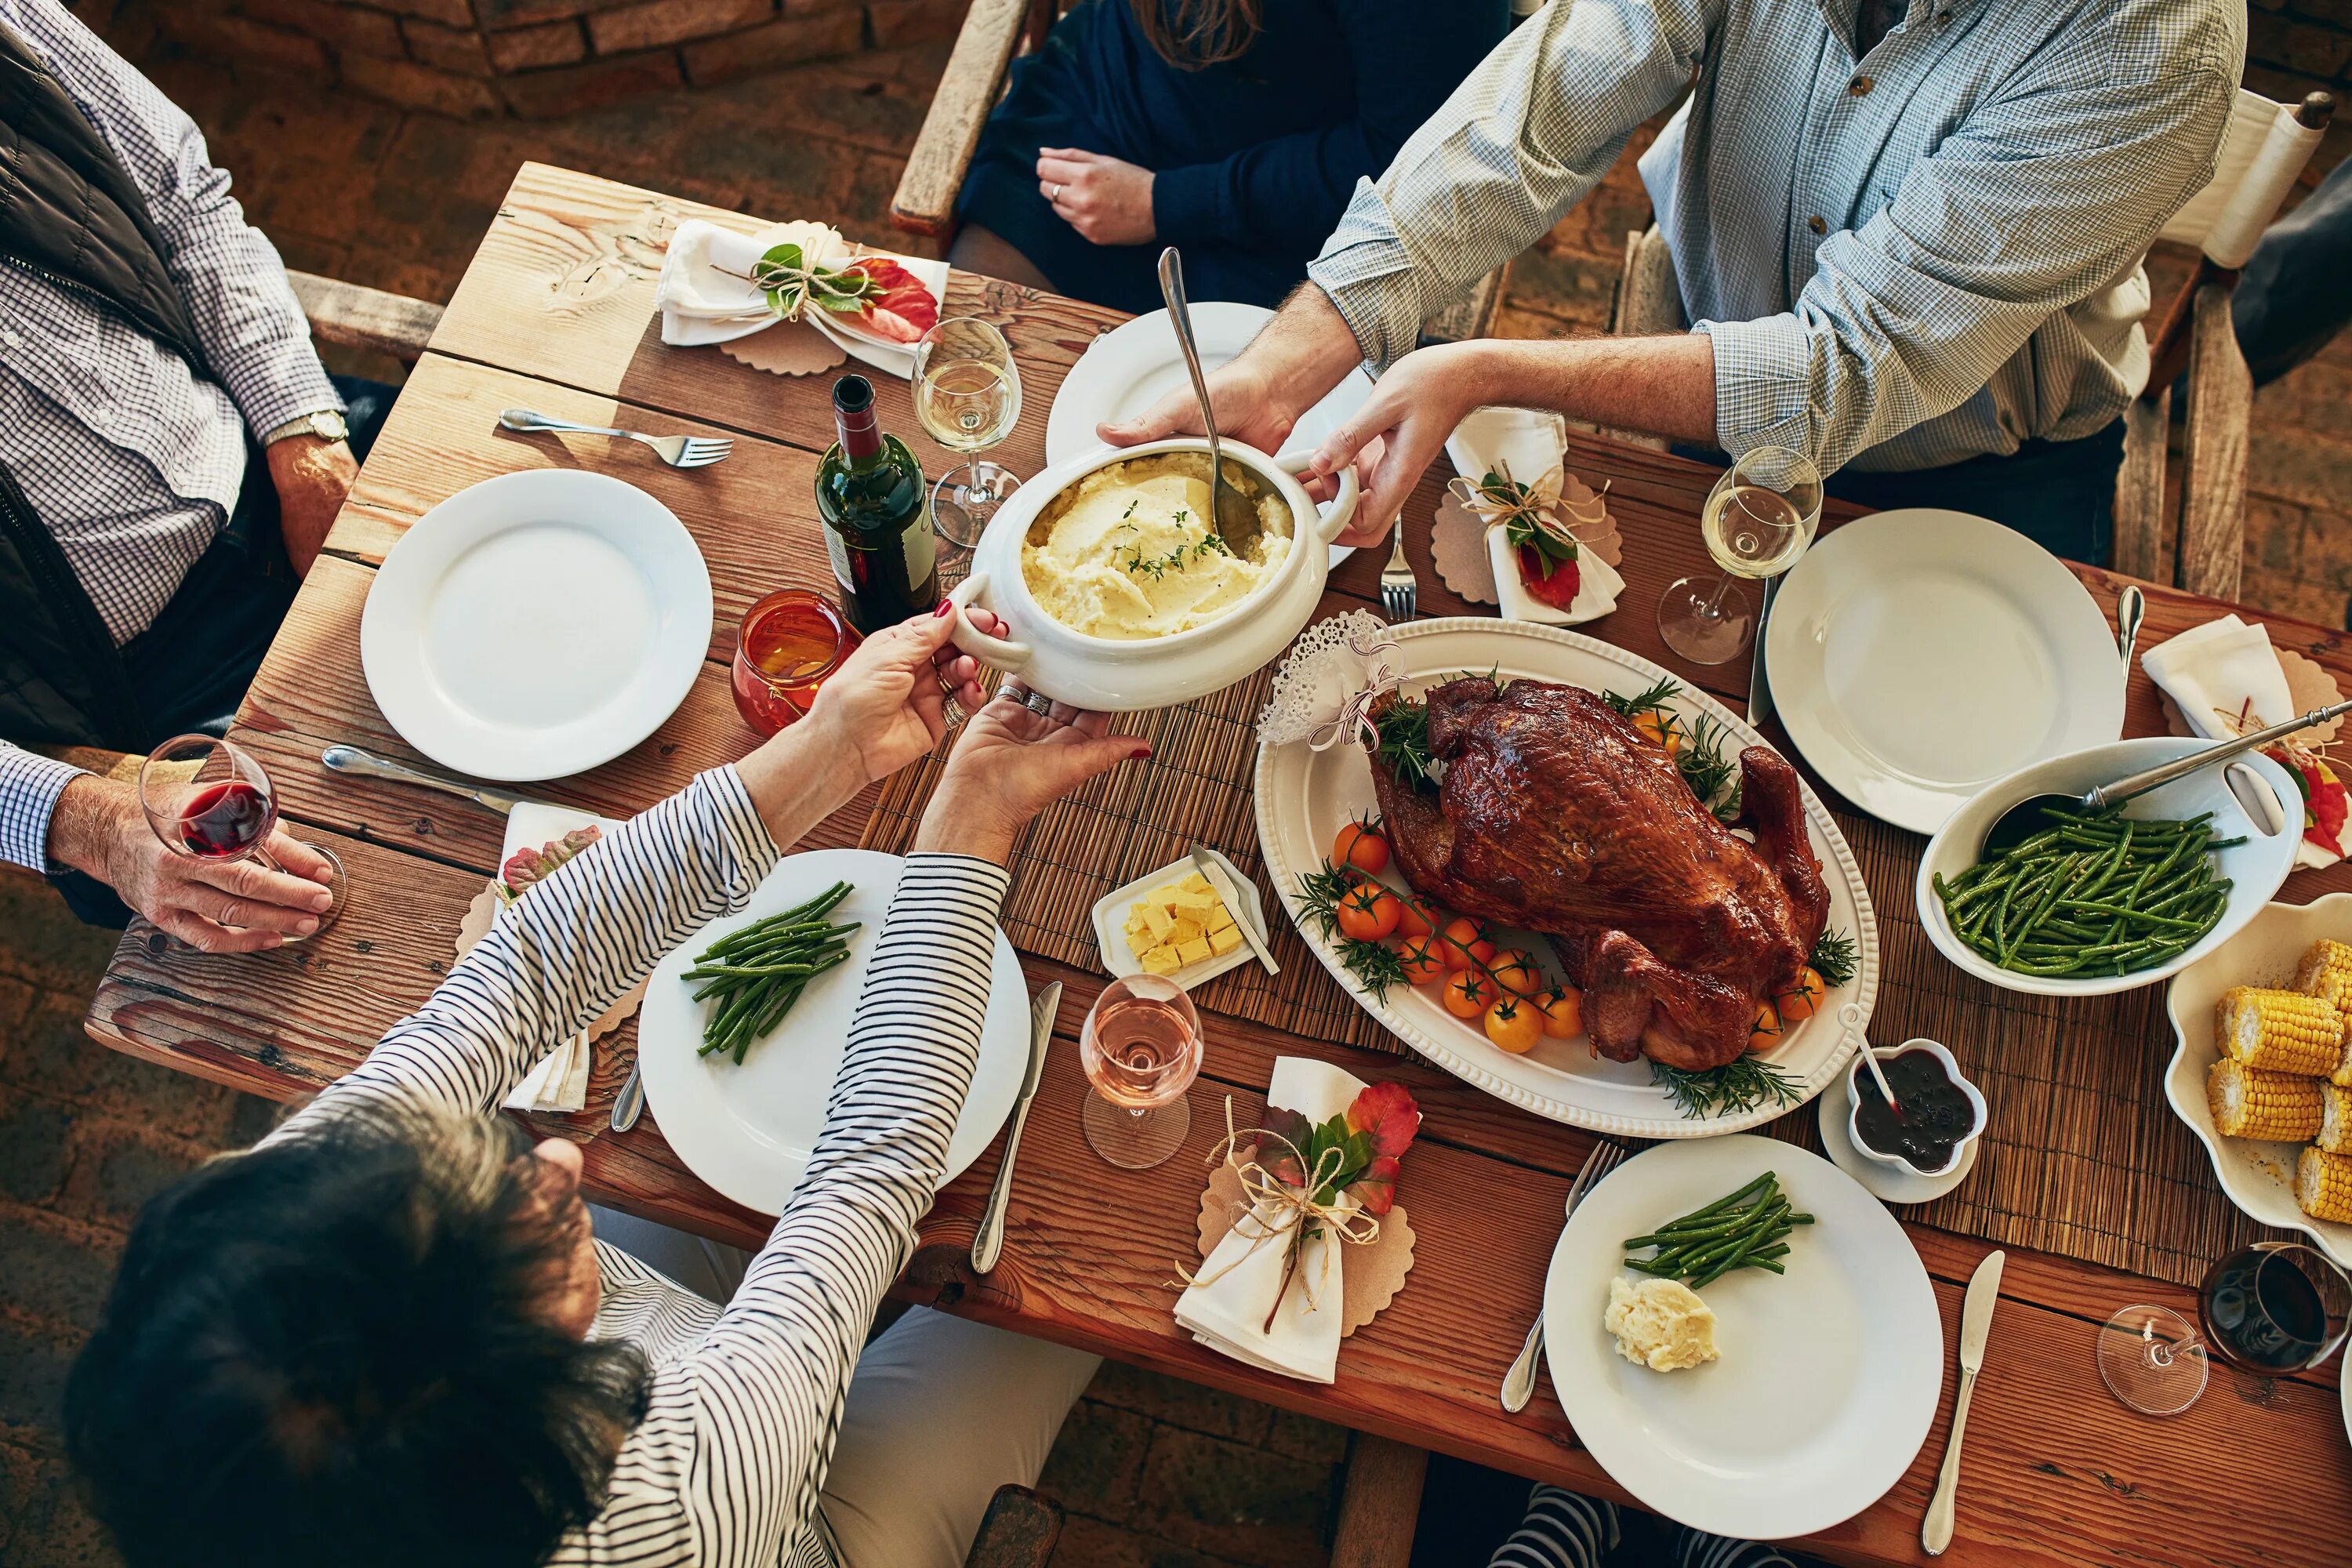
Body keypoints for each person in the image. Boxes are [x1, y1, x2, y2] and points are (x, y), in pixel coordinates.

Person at [63, 605, 1149, 1568]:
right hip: (782, 1526)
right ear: (552, 1425)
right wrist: (969, 828)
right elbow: (867, 1171)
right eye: (532, 1242)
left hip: (676, 1373)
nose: (561, 1160)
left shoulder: (277, 1249)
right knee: (1049, 1310)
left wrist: (829, 749)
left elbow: (521, 972)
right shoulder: (673, 1494)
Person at [1102, 0, 2243, 565]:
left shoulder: (2152, 39)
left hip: (1982, 472)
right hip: (1709, 372)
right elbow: (1539, 113)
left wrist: (1486, 367)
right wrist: (1290, 357)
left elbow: (1850, 366)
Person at [0, 0, 393, 941]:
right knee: (380, 917)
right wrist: (84, 817)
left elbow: (182, 195)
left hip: (275, 455)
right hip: (127, 705)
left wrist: (304, 436)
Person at [949, 0, 1507, 316]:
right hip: (1102, 102)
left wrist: (1165, 203)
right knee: (980, 343)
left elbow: (1405, 160)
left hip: (1285, 210)